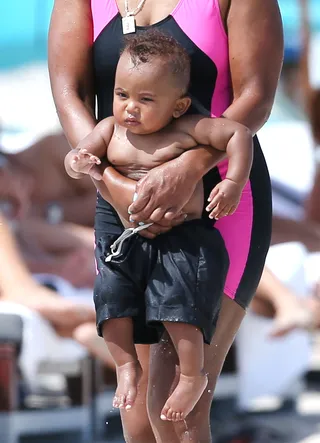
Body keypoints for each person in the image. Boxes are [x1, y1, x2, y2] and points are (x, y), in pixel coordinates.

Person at [48, 0, 283, 441]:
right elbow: (70, 93)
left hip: (216, 202)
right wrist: (113, 181)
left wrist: (188, 168)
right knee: (137, 418)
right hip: (121, 211)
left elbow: (256, 98)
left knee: (174, 407)